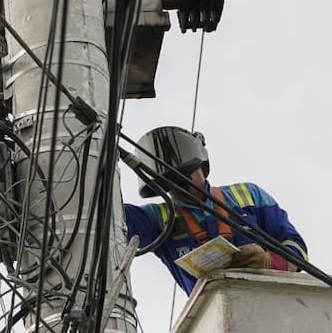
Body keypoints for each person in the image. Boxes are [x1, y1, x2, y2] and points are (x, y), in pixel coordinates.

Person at [123, 126, 308, 295]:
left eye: (184, 178)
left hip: (268, 299)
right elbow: (110, 214)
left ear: (201, 166)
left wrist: (269, 262)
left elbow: (297, 250)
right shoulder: (158, 218)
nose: (178, 188)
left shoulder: (248, 195)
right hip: (212, 314)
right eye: (169, 184)